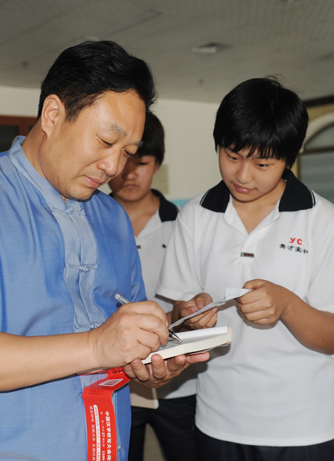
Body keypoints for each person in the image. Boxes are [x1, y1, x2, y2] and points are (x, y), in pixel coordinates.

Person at [0, 40, 208, 461]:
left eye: (128, 153)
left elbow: (120, 340)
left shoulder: (111, 218)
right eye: (105, 141)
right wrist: (96, 346)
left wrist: (147, 360)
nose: (114, 167)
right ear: (53, 114)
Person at [155, 77, 334, 461]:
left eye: (262, 164)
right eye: (231, 156)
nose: (243, 175)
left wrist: (288, 304)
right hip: (219, 420)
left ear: (288, 159)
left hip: (304, 425)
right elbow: (177, 322)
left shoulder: (323, 220)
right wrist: (188, 315)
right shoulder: (195, 216)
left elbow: (331, 337)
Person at [109, 111, 199, 461]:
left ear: (157, 164)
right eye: (124, 161)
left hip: (178, 383)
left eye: (142, 163)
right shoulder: (87, 222)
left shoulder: (183, 226)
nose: (130, 174)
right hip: (115, 379)